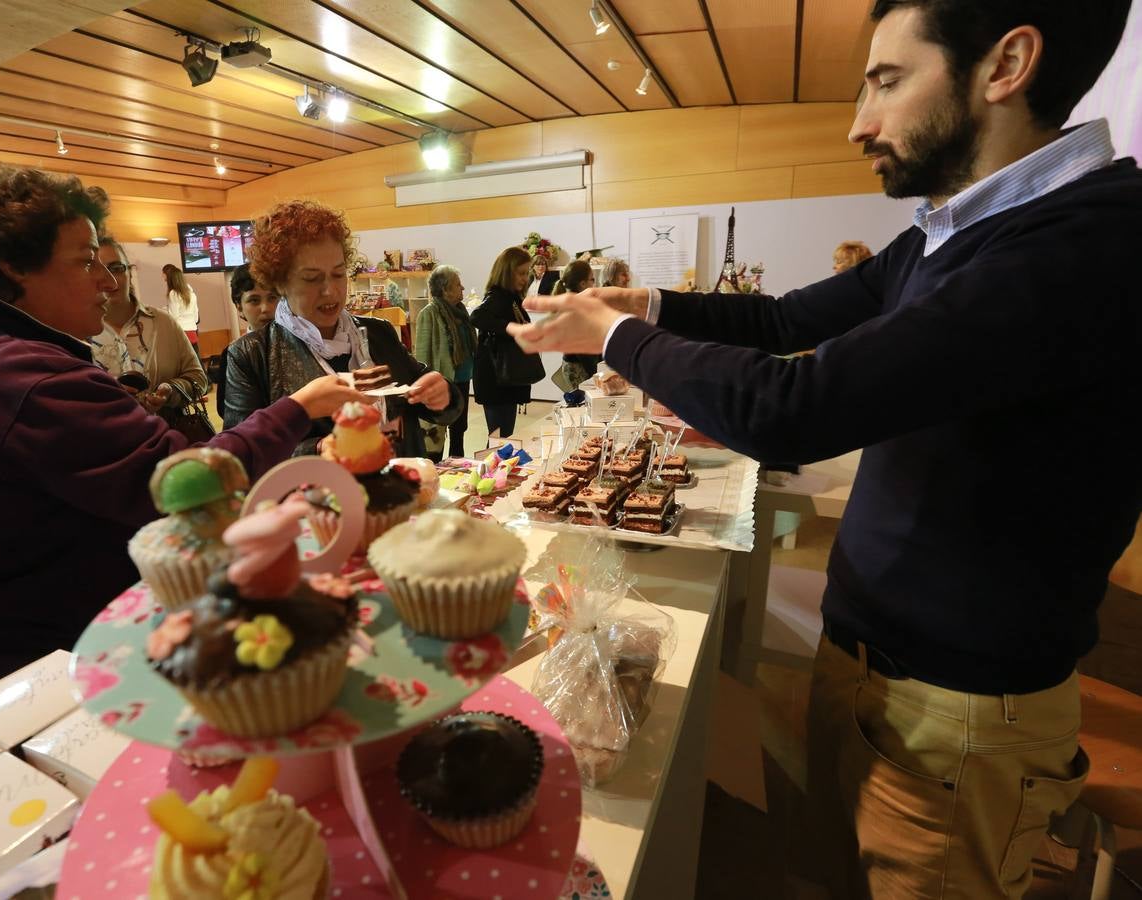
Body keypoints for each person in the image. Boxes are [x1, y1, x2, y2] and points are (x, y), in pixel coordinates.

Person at [506, 2, 1140, 896]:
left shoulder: (1082, 245)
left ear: (1006, 67)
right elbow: (783, 319)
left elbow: (792, 407)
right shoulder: (949, 230)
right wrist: (647, 306)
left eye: (886, 81)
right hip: (872, 661)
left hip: (959, 711)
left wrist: (612, 336)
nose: (859, 122)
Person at [0, 165, 362, 711]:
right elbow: (187, 479)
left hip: (18, 646)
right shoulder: (23, 378)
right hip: (28, 671)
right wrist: (298, 408)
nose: (107, 283)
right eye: (84, 263)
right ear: (13, 267)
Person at [222, 199, 461, 457]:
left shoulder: (378, 332)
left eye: (338, 274)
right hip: (321, 494)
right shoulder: (252, 355)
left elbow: (424, 396)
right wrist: (318, 448)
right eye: (312, 278)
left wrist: (443, 393)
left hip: (401, 487)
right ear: (279, 283)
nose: (330, 290)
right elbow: (241, 457)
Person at [89, 236, 207, 416]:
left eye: (116, 268)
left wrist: (171, 392)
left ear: (129, 271)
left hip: (166, 437)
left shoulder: (163, 322)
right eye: (96, 269)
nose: (108, 278)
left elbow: (198, 379)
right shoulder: (78, 332)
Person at [469, 246, 541, 439]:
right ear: (506, 272)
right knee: (498, 439)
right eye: (521, 273)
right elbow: (476, 316)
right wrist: (511, 328)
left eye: (527, 273)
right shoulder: (497, 297)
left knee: (502, 436)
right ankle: (490, 470)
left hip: (504, 379)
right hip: (496, 380)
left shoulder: (511, 298)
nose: (525, 278)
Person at [414, 264, 476, 459]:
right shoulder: (429, 313)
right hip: (442, 381)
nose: (463, 288)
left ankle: (457, 465)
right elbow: (423, 354)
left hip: (463, 378)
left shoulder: (461, 312)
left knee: (459, 428)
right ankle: (435, 468)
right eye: (458, 285)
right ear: (445, 289)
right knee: (437, 432)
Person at [217, 263, 280, 418]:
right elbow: (225, 410)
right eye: (254, 300)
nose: (265, 308)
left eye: (272, 297)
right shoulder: (234, 354)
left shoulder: (299, 344)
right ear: (239, 307)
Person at [551, 260, 600, 404]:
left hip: (579, 363)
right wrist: (595, 371)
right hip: (580, 365)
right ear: (582, 284)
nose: (594, 284)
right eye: (592, 280)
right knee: (583, 405)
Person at [162, 263, 200, 358]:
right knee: (196, 361)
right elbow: (196, 318)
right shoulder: (192, 294)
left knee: (181, 362)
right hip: (192, 331)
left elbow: (174, 316)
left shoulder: (173, 294)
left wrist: (164, 310)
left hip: (180, 332)